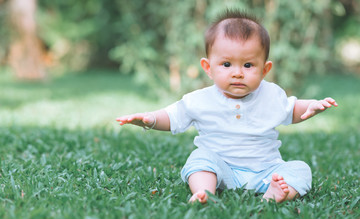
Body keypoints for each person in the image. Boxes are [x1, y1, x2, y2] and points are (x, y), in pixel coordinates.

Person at [116, 9, 338, 203]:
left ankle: (274, 195)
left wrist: (311, 107)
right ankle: (204, 192)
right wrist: (150, 119)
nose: (238, 72)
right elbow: (173, 116)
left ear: (265, 69)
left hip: (266, 171)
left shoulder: (272, 94)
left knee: (300, 170)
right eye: (226, 64)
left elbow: (293, 109)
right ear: (208, 67)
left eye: (248, 64)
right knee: (199, 159)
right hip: (221, 170)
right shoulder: (199, 99)